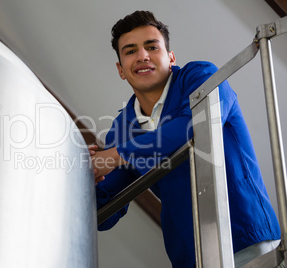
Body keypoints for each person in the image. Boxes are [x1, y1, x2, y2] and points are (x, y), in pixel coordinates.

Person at [89, 10, 282, 268]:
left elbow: (192, 127)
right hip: (193, 259)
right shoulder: (123, 130)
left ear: (170, 57)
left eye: (151, 46)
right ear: (121, 69)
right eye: (130, 51)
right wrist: (86, 178)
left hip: (248, 240)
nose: (142, 56)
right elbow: (104, 213)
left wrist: (112, 156)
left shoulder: (200, 76)